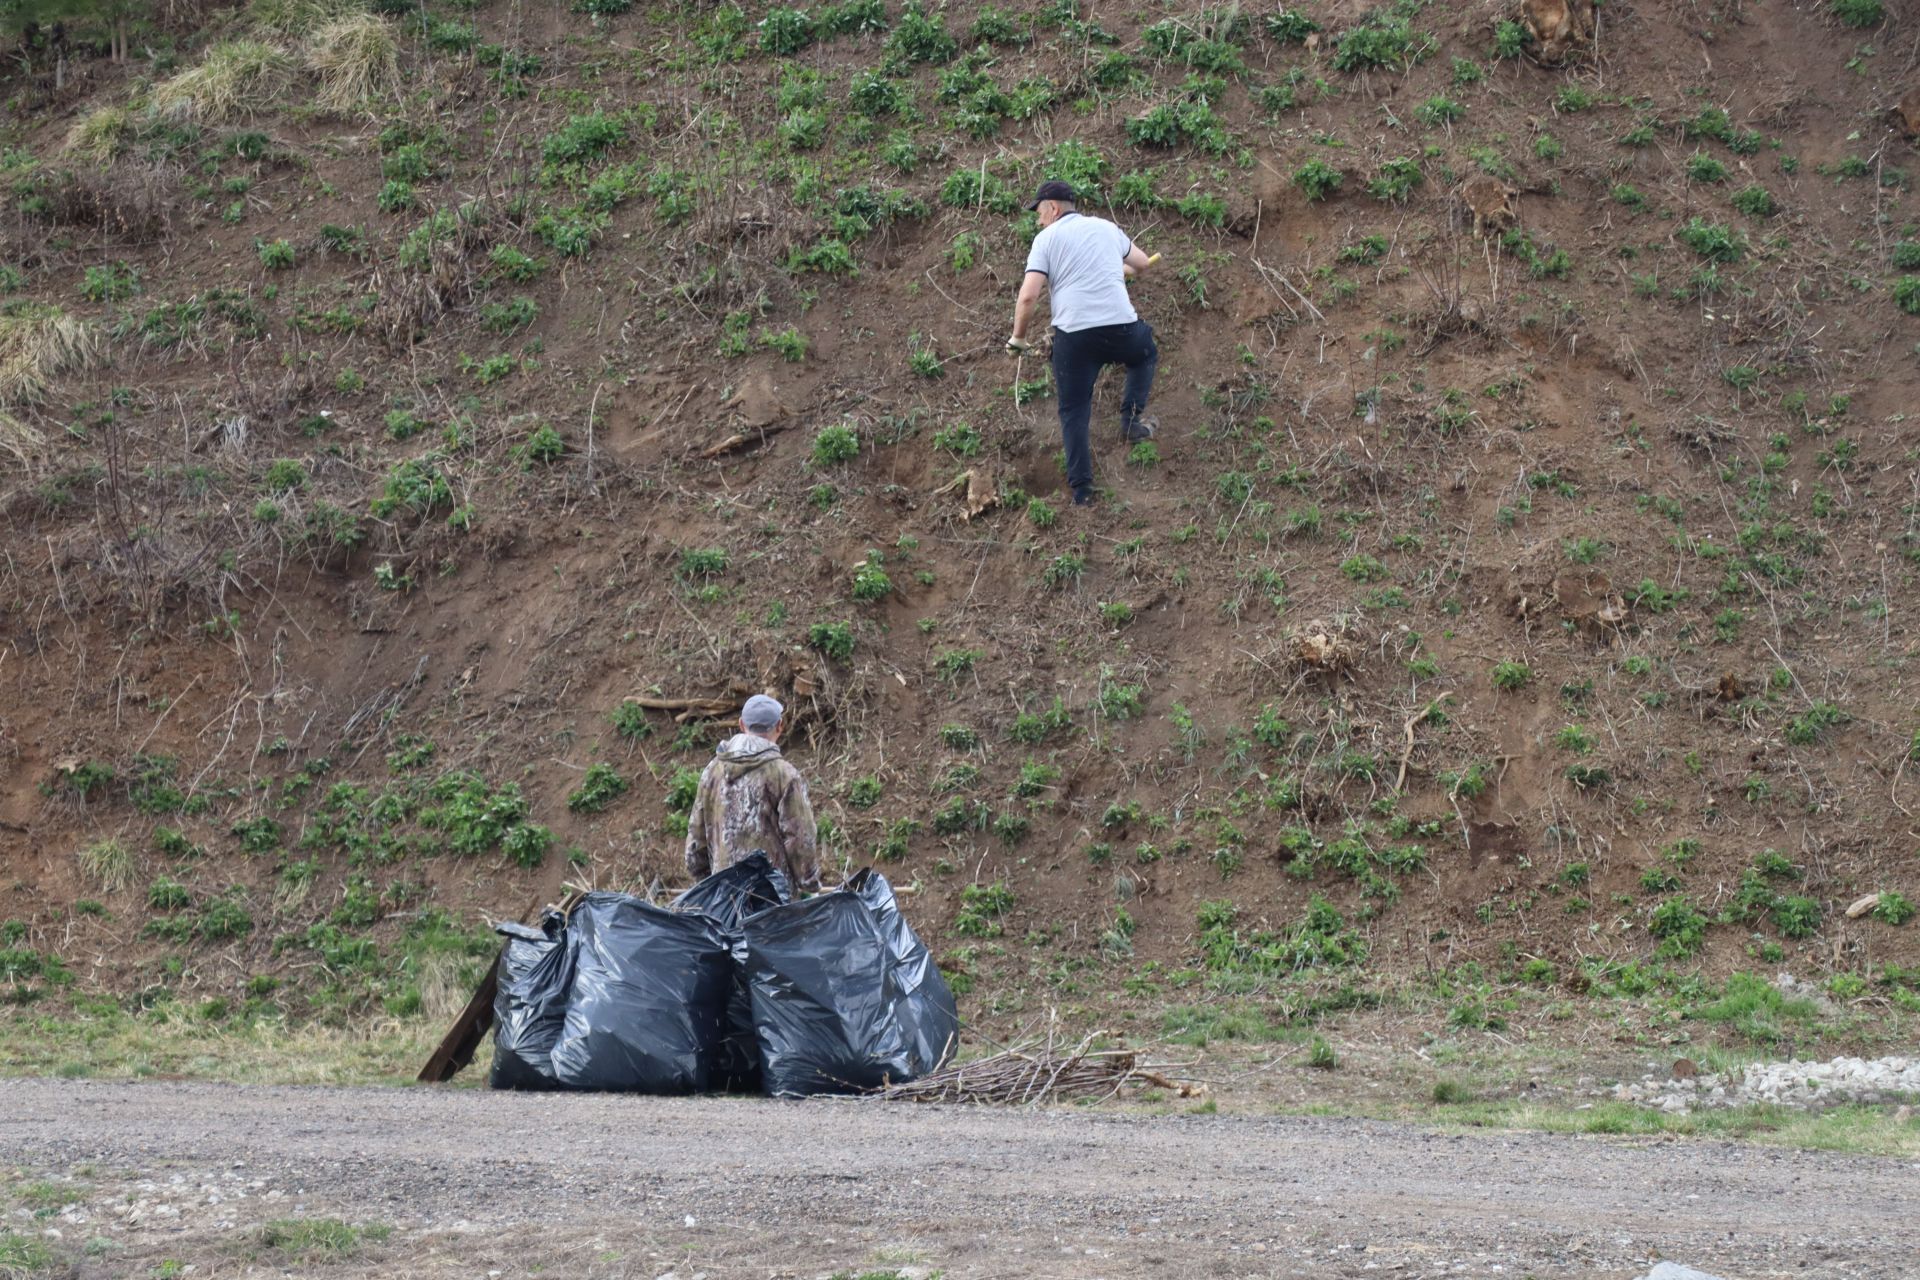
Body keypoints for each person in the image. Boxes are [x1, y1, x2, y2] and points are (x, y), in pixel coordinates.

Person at [1007, 180, 1159, 507]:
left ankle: (1082, 491)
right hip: (1120, 329)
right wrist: (1116, 270)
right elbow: (1143, 264)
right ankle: (1132, 421)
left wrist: (1018, 338)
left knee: (1073, 410)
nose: (1038, 219)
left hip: (1074, 338)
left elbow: (1029, 295)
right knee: (1144, 351)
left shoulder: (1046, 239)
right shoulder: (1106, 228)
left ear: (1054, 208)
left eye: (1039, 212)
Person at [683, 694, 820, 893]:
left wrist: (704, 880)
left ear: (741, 724)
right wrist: (808, 883)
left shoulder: (713, 771)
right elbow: (800, 837)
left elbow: (697, 833)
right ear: (780, 726)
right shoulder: (784, 775)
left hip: (724, 898)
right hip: (772, 901)